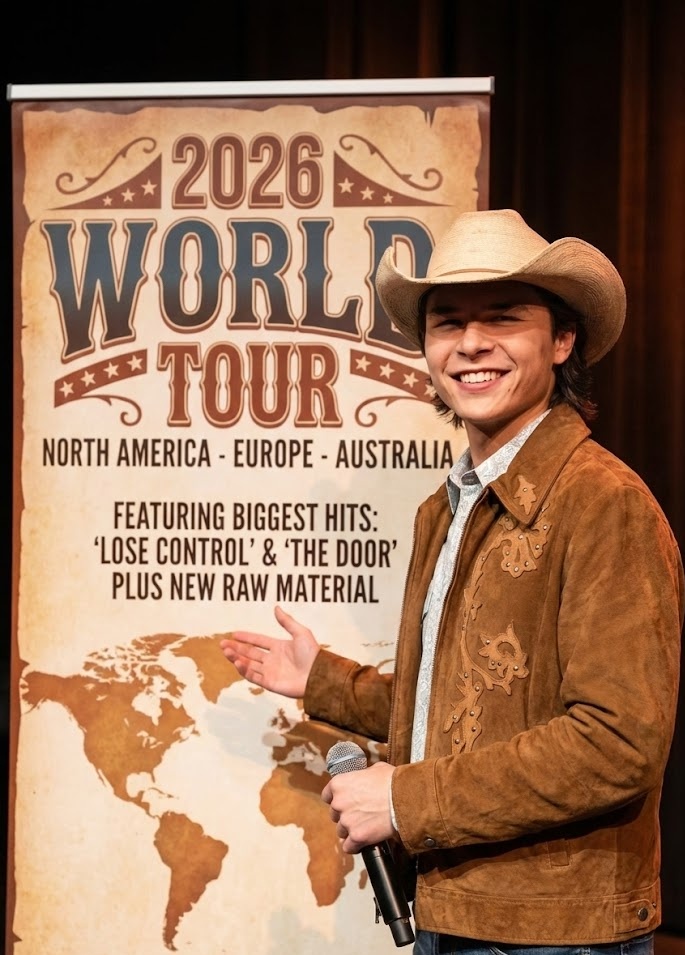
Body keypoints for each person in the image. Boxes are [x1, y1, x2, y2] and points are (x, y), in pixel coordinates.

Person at [220, 209, 683, 954]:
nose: (470, 343)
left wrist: (405, 799)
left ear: (562, 340)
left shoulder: (604, 503)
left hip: (555, 933)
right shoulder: (447, 507)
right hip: (453, 910)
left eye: (502, 316)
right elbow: (470, 699)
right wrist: (324, 681)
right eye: (447, 322)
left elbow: (618, 742)